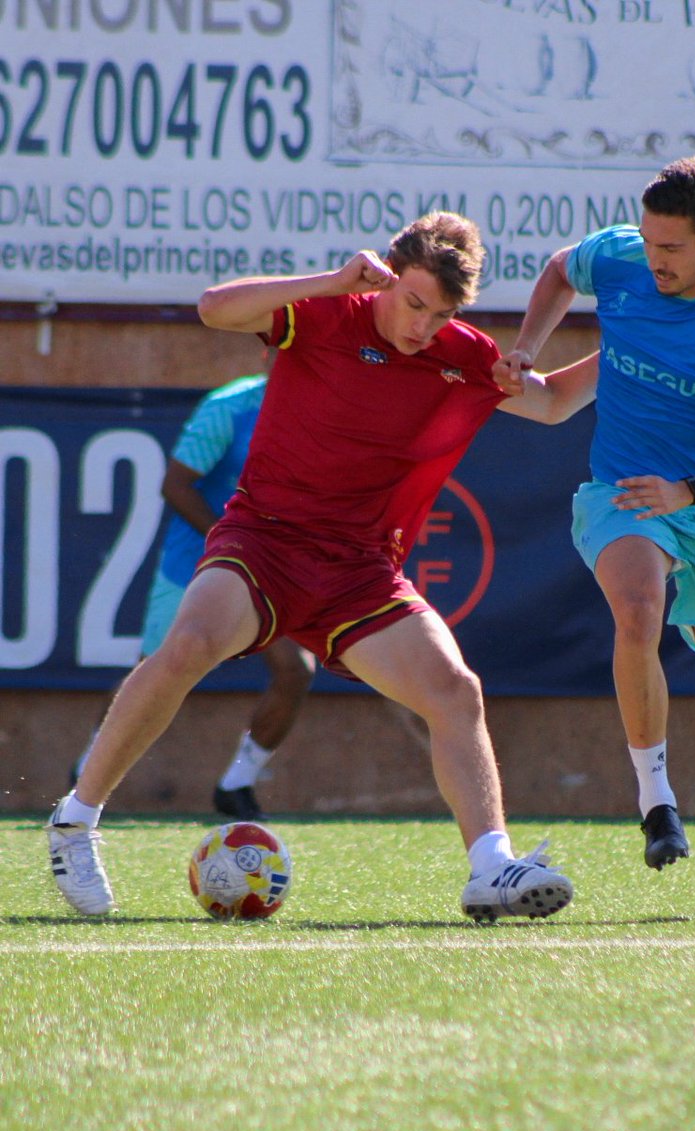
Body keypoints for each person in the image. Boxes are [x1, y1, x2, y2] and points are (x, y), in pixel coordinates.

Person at [46, 211, 597, 921]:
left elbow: (551, 405)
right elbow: (214, 309)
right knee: (186, 646)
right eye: (413, 303)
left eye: (441, 313)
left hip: (359, 571)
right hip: (263, 541)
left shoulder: (461, 353)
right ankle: (75, 822)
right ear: (388, 279)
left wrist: (636, 342)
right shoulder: (328, 310)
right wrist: (332, 278)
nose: (421, 326)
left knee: (455, 690)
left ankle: (490, 867)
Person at [494, 158, 695, 916]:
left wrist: (689, 492)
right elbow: (558, 271)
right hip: (623, 491)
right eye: (648, 241)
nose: (653, 259)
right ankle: (656, 802)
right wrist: (528, 346)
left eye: (671, 249)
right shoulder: (621, 258)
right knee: (635, 610)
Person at [71, 372, 316, 821]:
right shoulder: (230, 406)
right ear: (269, 347)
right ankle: (85, 775)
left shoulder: (331, 406)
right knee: (154, 671)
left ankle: (237, 785)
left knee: (295, 669)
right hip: (198, 561)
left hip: (273, 569)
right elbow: (175, 484)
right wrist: (229, 541)